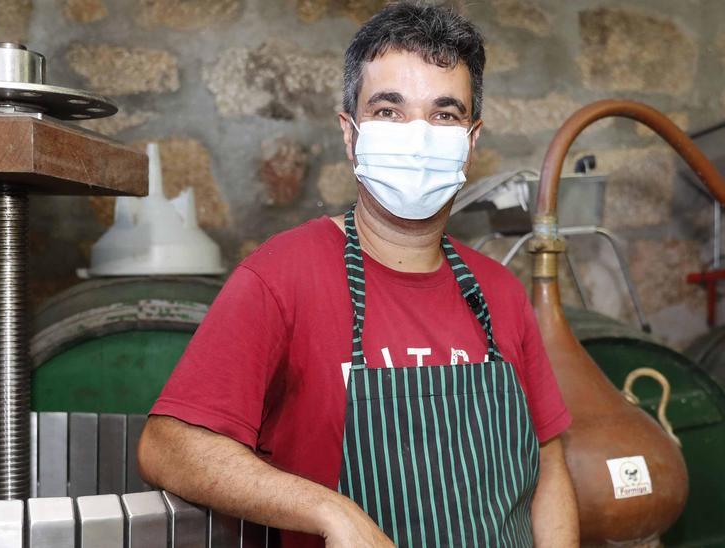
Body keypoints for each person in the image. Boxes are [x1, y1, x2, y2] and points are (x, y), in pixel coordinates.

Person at [137, 3, 579, 546]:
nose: (417, 137)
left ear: (471, 139)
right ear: (350, 134)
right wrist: (329, 511)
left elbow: (549, 464)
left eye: (444, 114)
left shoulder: (501, 292)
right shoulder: (281, 278)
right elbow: (169, 445)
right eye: (389, 111)